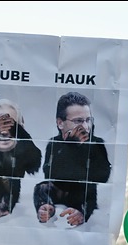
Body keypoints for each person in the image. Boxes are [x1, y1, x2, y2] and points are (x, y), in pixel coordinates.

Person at [33, 91, 111, 226]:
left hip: (82, 192)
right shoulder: (54, 143)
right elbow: (50, 174)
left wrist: (83, 150)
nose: (85, 127)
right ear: (60, 123)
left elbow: (103, 176)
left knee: (89, 189)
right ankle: (46, 208)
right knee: (41, 187)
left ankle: (81, 214)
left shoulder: (96, 142)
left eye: (88, 120)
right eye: (78, 121)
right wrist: (69, 147)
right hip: (59, 190)